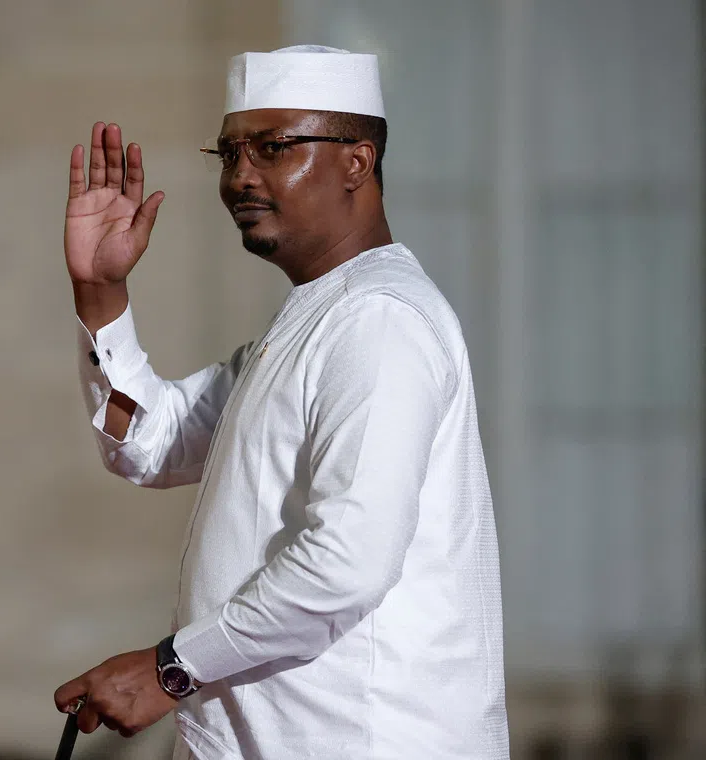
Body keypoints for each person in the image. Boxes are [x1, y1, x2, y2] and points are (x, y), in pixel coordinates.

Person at [53, 45, 509, 759]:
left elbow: (346, 562)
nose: (241, 177)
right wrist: (100, 291)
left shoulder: (379, 320)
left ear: (357, 162)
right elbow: (153, 443)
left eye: (272, 148)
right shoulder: (318, 319)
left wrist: (170, 669)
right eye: (230, 153)